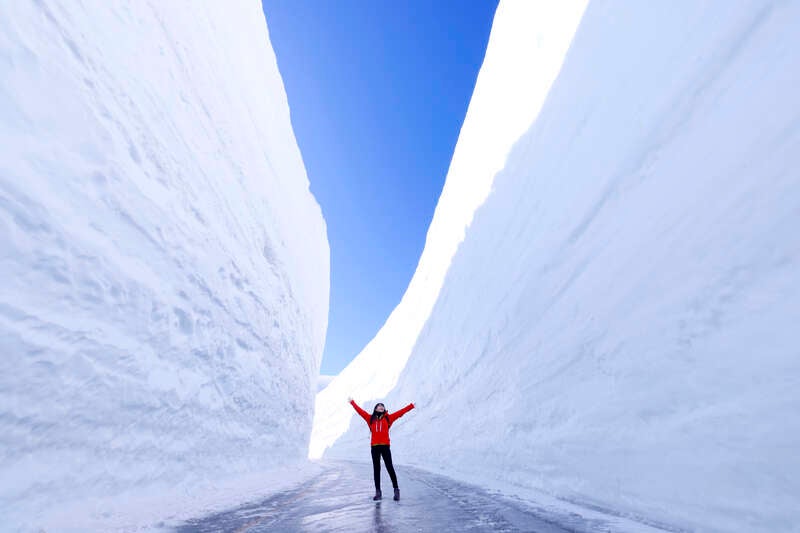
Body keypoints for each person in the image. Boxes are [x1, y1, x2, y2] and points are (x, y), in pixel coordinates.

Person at [348, 397, 415, 501]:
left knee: (389, 467)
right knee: (376, 469)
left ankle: (396, 490)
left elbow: (400, 412)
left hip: (385, 446)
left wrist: (411, 406)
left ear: (384, 409)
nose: (381, 407)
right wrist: (352, 403)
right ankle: (378, 492)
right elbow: (360, 412)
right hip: (374, 447)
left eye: (382, 406)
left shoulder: (389, 418)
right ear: (375, 409)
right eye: (379, 406)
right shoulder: (370, 418)